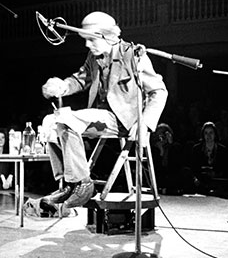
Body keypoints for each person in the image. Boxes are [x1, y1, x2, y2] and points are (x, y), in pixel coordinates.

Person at [39, 11, 168, 209]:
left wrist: (146, 125)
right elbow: (80, 79)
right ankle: (67, 183)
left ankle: (83, 185)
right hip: (101, 118)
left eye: (90, 40)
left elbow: (159, 91)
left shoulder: (133, 55)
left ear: (106, 36)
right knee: (51, 122)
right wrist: (62, 86)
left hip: (124, 121)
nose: (87, 45)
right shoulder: (94, 57)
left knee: (66, 120)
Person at [183, 121, 228, 197]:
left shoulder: (222, 149)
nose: (208, 136)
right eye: (206, 133)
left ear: (215, 134)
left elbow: (226, 168)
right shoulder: (197, 149)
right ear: (203, 135)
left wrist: (215, 173)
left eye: (211, 133)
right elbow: (193, 167)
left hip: (217, 179)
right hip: (201, 179)